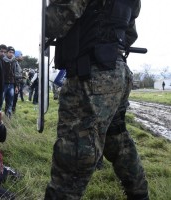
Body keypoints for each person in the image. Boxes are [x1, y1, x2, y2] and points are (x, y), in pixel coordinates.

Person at [44, 1, 149, 200]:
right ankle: (140, 195)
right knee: (117, 137)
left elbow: (54, 24)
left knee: (75, 147)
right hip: (117, 71)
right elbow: (130, 34)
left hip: (90, 75)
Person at [2, 46, 21, 117]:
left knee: (10, 102)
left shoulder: (14, 62)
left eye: (13, 52)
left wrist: (16, 86)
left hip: (12, 84)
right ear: (6, 53)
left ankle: (8, 118)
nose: (11, 54)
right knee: (0, 102)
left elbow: (16, 74)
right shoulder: (2, 60)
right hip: (3, 84)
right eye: (10, 52)